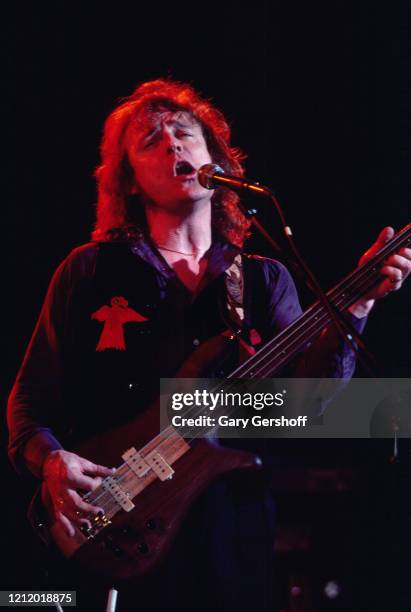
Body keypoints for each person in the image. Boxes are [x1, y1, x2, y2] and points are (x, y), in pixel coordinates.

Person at [7, 79, 411, 611]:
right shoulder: (89, 271)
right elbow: (29, 401)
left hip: (230, 524)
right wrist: (52, 460)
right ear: (129, 182)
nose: (173, 146)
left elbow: (305, 407)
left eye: (184, 134)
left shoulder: (262, 279)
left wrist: (357, 306)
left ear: (214, 159)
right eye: (151, 140)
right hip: (112, 518)